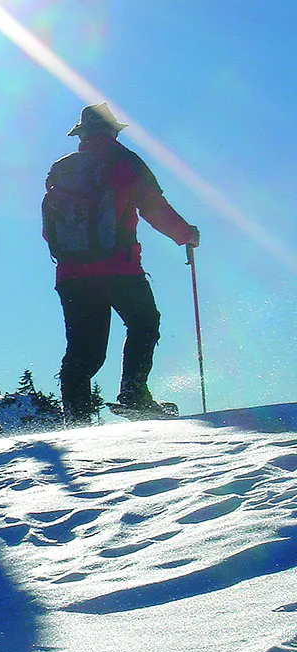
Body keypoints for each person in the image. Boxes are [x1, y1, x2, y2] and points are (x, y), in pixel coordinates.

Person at [46, 103, 198, 422]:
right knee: (144, 323)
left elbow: (50, 229)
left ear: (82, 135)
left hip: (72, 274)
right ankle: (133, 395)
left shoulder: (62, 169)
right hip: (120, 268)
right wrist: (185, 234)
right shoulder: (125, 163)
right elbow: (154, 208)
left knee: (84, 350)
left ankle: (76, 416)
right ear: (113, 131)